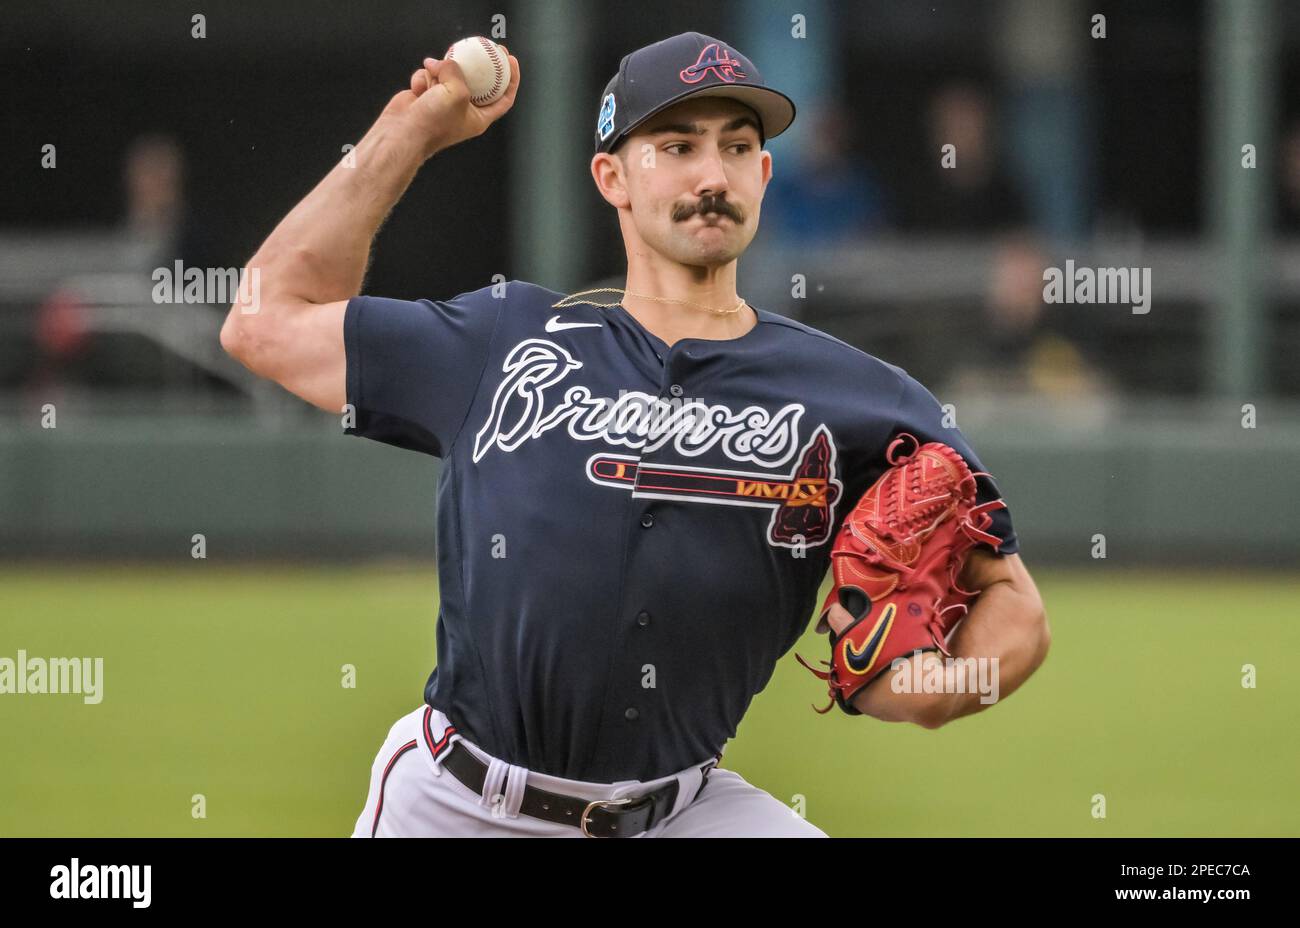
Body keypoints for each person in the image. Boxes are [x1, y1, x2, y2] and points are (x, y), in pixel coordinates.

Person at [219, 32, 1049, 838]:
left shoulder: (863, 400)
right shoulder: (503, 340)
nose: (711, 174)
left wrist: (944, 683)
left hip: (683, 811)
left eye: (736, 148)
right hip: (455, 804)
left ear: (764, 175)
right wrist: (408, 133)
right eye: (677, 146)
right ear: (612, 177)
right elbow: (264, 323)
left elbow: (1014, 605)